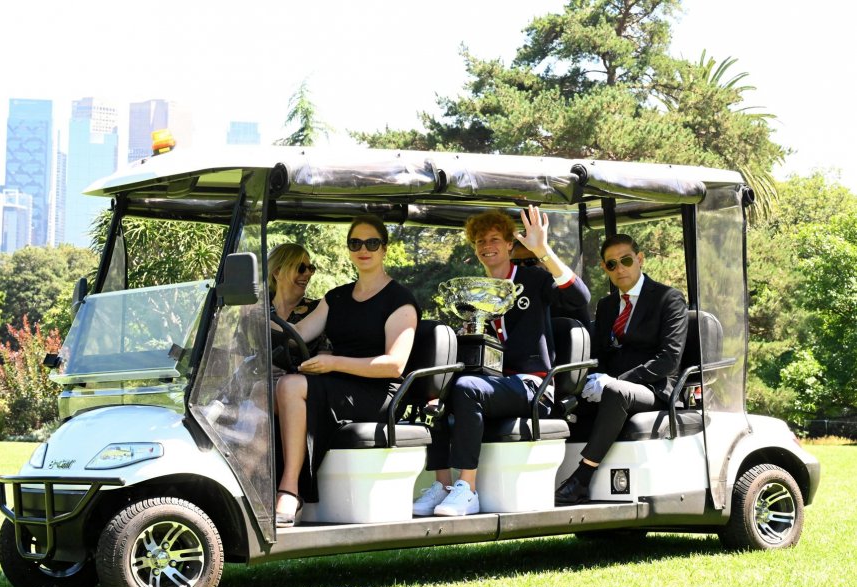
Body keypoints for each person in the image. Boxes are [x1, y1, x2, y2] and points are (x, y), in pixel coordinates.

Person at [413, 206, 591, 517]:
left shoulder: (533, 280)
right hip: (495, 384)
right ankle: (443, 484)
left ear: (510, 244)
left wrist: (543, 250)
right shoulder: (474, 292)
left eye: (494, 239)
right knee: (436, 391)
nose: (487, 246)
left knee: (467, 388)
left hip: (533, 386)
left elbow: (580, 297)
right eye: (480, 241)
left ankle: (468, 489)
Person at [274, 215, 420, 527]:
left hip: (378, 393)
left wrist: (334, 363)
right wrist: (251, 319)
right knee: (271, 392)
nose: (363, 249)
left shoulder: (400, 300)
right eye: (355, 243)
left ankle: (289, 490)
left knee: (289, 386)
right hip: (338, 384)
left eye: (372, 243)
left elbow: (394, 365)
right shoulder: (337, 297)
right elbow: (296, 334)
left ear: (384, 249)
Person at [554, 234, 688, 505]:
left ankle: (582, 477)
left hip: (655, 389)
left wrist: (614, 380)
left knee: (616, 391)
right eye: (611, 264)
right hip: (614, 385)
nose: (620, 269)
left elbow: (669, 359)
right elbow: (599, 353)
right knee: (562, 392)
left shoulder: (668, 299)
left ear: (640, 259)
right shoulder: (606, 306)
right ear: (605, 268)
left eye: (625, 260)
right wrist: (592, 378)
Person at [268, 243, 328, 372]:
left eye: (311, 268)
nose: (308, 273)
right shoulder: (257, 309)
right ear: (277, 272)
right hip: (258, 380)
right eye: (300, 268)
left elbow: (326, 362)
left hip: (303, 382)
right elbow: (239, 356)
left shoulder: (318, 310)